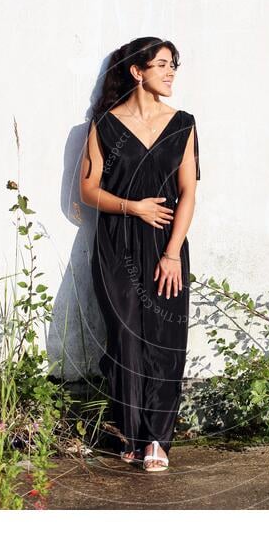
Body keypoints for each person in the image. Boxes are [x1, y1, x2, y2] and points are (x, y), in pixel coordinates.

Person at [79, 37, 200, 472]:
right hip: (116, 245)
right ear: (138, 72)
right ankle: (130, 433)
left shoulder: (183, 124)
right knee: (126, 337)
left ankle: (157, 440)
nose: (170, 74)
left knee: (166, 341)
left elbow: (188, 194)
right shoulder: (104, 125)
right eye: (163, 65)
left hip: (167, 247)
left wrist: (172, 254)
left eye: (174, 66)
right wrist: (134, 207)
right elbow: (88, 190)